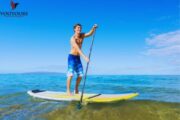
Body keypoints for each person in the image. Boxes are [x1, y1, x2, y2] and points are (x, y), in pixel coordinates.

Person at [66, 23, 97, 95]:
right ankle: (67, 90)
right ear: (74, 29)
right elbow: (77, 48)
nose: (79, 29)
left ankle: (76, 89)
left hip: (78, 57)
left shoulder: (82, 35)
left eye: (80, 28)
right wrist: (85, 57)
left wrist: (93, 28)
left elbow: (90, 34)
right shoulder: (72, 38)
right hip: (72, 57)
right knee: (70, 74)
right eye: (77, 28)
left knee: (80, 75)